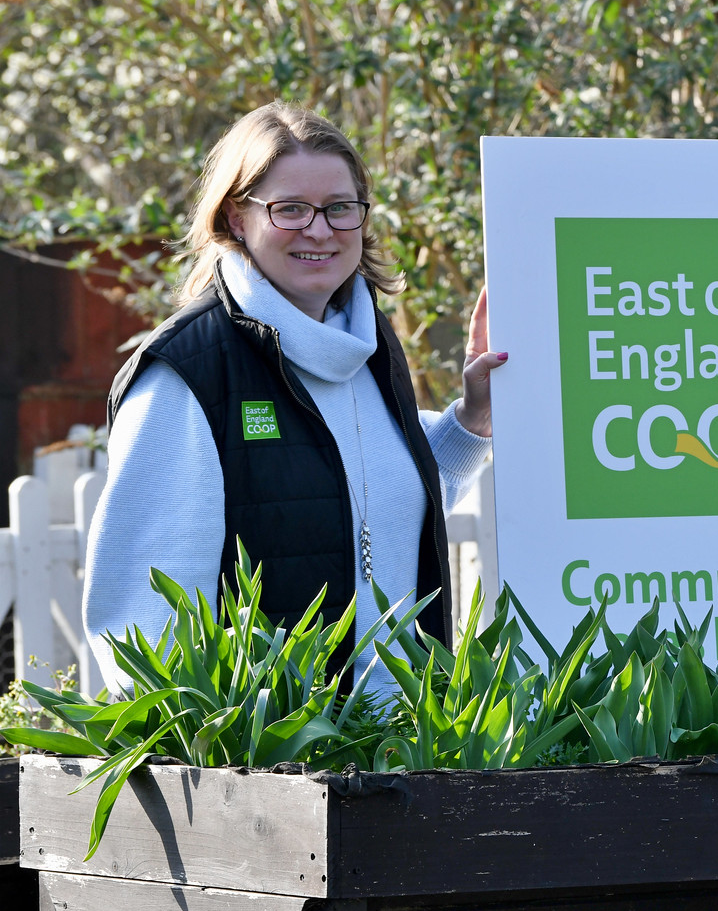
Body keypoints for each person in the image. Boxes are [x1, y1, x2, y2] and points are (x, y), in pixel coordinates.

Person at [84, 101, 501, 689]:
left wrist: (471, 422)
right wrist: (223, 764)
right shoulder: (186, 375)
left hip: (402, 748)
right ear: (235, 218)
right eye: (290, 209)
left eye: (339, 208)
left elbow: (371, 506)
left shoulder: (370, 344)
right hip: (273, 765)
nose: (320, 230)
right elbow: (144, 620)